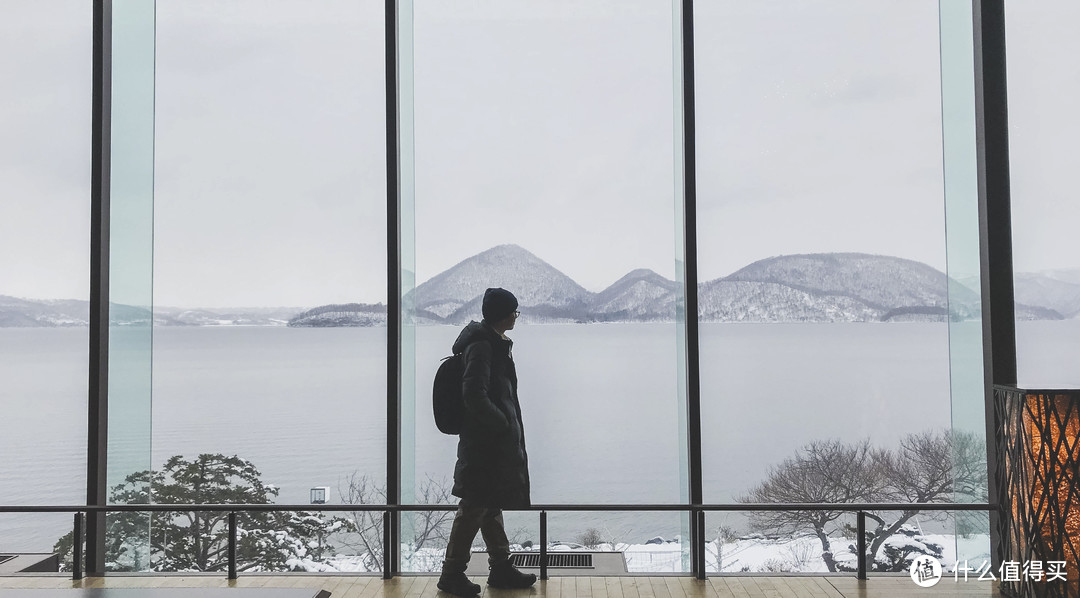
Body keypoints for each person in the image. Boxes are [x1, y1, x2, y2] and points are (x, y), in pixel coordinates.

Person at [437, 287, 536, 596]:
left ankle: (501, 568)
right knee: (474, 506)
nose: (515, 317)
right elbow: (474, 396)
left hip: (489, 443)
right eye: (514, 312)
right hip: (484, 445)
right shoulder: (482, 346)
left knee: (489, 504)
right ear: (504, 314)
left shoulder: (492, 343)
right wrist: (502, 423)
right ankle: (452, 573)